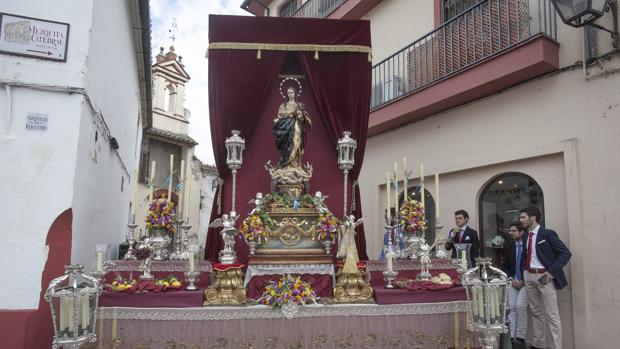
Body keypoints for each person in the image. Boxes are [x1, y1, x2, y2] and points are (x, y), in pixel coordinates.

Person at [519, 206, 571, 349]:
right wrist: (524, 271)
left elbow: (565, 253)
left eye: (523, 217)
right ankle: (539, 344)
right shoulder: (525, 236)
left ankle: (556, 346)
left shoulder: (547, 234)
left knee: (552, 315)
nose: (520, 220)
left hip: (544, 276)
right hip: (529, 276)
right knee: (535, 312)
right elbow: (525, 255)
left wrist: (551, 273)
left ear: (533, 217)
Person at [272, 86, 312, 169]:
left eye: (291, 93)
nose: (290, 94)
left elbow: (302, 118)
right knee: (286, 145)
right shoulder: (283, 105)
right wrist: (290, 114)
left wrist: (299, 114)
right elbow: (280, 114)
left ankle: (295, 165)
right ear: (287, 94)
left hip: (296, 127)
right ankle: (286, 166)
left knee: (295, 143)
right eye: (288, 93)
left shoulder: (299, 105)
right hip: (285, 127)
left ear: (295, 94)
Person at [502, 222, 528, 349]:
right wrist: (512, 279)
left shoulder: (528, 245)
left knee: (520, 306)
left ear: (521, 232)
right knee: (511, 307)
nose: (511, 233)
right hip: (513, 280)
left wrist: (523, 280)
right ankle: (512, 337)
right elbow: (505, 265)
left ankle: (520, 338)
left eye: (513, 231)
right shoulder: (509, 246)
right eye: (510, 231)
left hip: (526, 282)